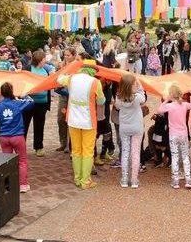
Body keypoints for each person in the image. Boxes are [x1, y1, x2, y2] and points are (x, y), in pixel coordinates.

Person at [58, 60, 106, 189]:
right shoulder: (95, 82)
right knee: (87, 151)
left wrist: (68, 68)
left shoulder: (72, 78)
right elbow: (101, 101)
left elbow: (59, 79)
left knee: (76, 150)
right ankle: (85, 181)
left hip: (73, 120)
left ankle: (77, 178)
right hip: (88, 121)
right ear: (93, 71)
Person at [0, 82, 34, 193]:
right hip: (17, 136)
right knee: (22, 161)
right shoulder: (17, 103)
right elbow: (31, 102)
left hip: (4, 137)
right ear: (12, 92)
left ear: (1, 92)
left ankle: (8, 184)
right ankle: (23, 185)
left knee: (7, 162)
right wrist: (24, 95)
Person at [157, 85, 191, 189]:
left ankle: (175, 181)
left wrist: (166, 100)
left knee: (175, 157)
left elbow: (159, 110)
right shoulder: (184, 105)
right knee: (185, 157)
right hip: (183, 135)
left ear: (171, 95)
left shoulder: (170, 106)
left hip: (173, 135)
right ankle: (188, 180)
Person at [114, 74, 145, 188]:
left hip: (124, 128)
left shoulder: (119, 98)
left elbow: (117, 107)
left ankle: (124, 179)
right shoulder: (137, 98)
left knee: (125, 153)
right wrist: (140, 84)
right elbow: (143, 96)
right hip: (137, 127)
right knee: (135, 154)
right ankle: (134, 180)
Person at [25, 50, 51, 157]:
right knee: (24, 124)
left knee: (39, 125)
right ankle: (21, 147)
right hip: (28, 103)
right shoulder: (28, 69)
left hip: (42, 103)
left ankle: (38, 147)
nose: (46, 60)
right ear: (40, 59)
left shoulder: (45, 70)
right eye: (44, 58)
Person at [55, 47, 77, 152]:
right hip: (63, 95)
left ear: (73, 55)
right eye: (65, 55)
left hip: (73, 95)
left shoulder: (77, 65)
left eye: (68, 55)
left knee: (71, 120)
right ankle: (63, 142)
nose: (66, 57)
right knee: (61, 119)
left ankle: (70, 145)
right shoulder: (62, 66)